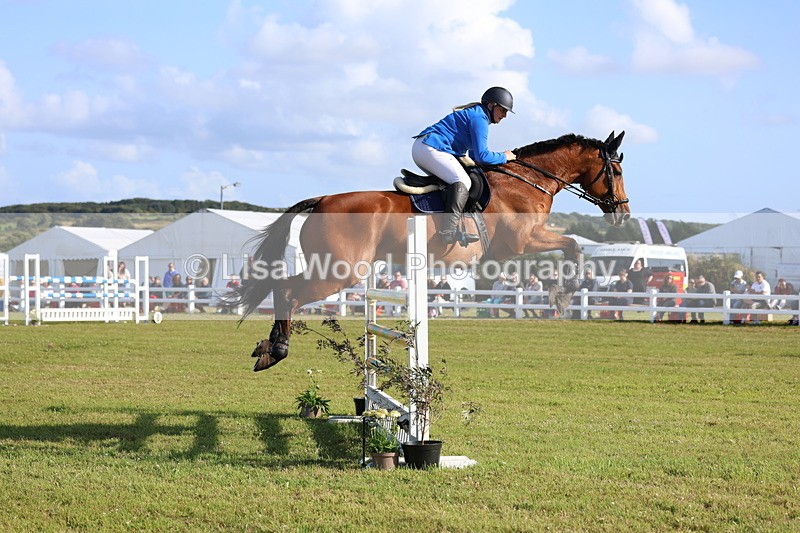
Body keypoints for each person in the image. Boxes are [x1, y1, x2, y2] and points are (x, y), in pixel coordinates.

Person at [412, 86, 517, 245]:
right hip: (430, 148)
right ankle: (448, 232)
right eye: (503, 110)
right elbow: (482, 155)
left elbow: (476, 158)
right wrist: (505, 157)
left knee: (464, 177)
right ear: (491, 106)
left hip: (427, 147)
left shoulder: (479, 115)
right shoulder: (479, 119)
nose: (505, 115)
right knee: (464, 182)